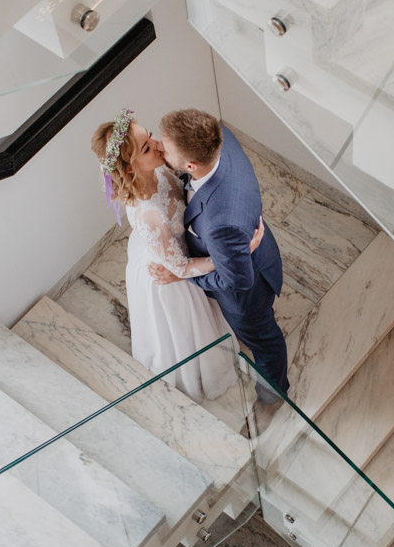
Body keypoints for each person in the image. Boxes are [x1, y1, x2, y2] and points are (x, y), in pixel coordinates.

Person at [91, 110, 264, 403]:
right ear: (131, 169)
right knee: (191, 331)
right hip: (170, 269)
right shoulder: (148, 215)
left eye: (150, 135)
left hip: (175, 247)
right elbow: (180, 266)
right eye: (147, 147)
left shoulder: (162, 166)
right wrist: (236, 254)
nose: (159, 144)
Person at [154, 109, 288, 433]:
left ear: (190, 165)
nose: (160, 147)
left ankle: (273, 398)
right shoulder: (220, 137)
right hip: (240, 245)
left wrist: (184, 272)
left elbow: (237, 279)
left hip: (246, 293)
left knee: (264, 340)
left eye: (166, 148)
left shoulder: (220, 222)